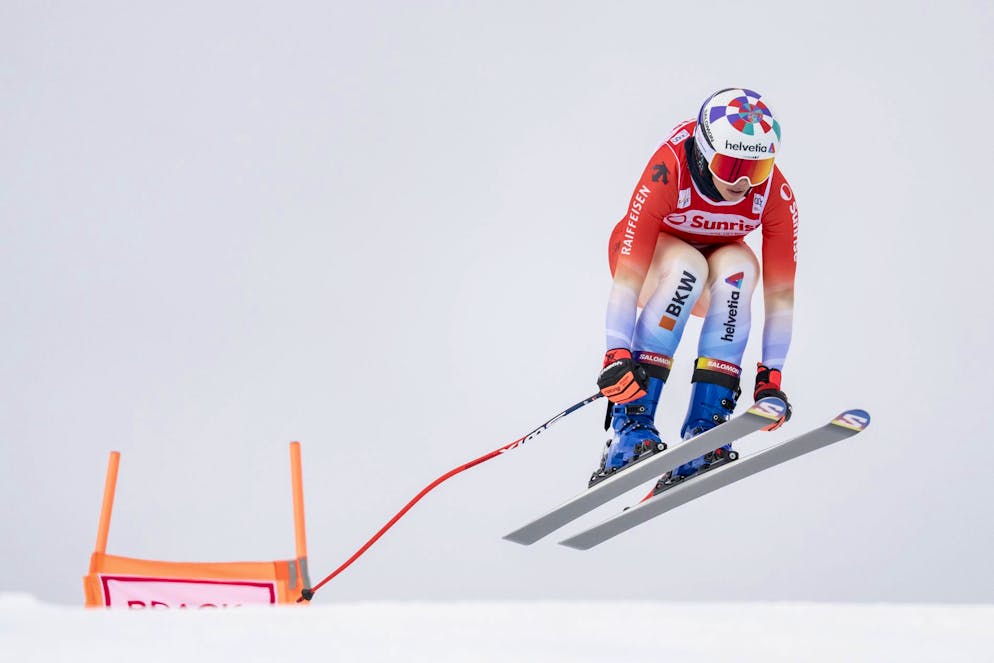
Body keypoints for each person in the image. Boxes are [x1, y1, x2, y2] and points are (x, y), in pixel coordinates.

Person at [592, 87, 795, 486]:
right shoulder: (669, 170)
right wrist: (615, 352)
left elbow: (781, 297)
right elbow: (627, 282)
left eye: (756, 168)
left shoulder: (773, 193)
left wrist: (772, 376)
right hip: (650, 263)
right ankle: (630, 427)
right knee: (688, 267)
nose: (743, 183)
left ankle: (705, 427)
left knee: (740, 268)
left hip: (710, 270)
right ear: (703, 149)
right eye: (731, 165)